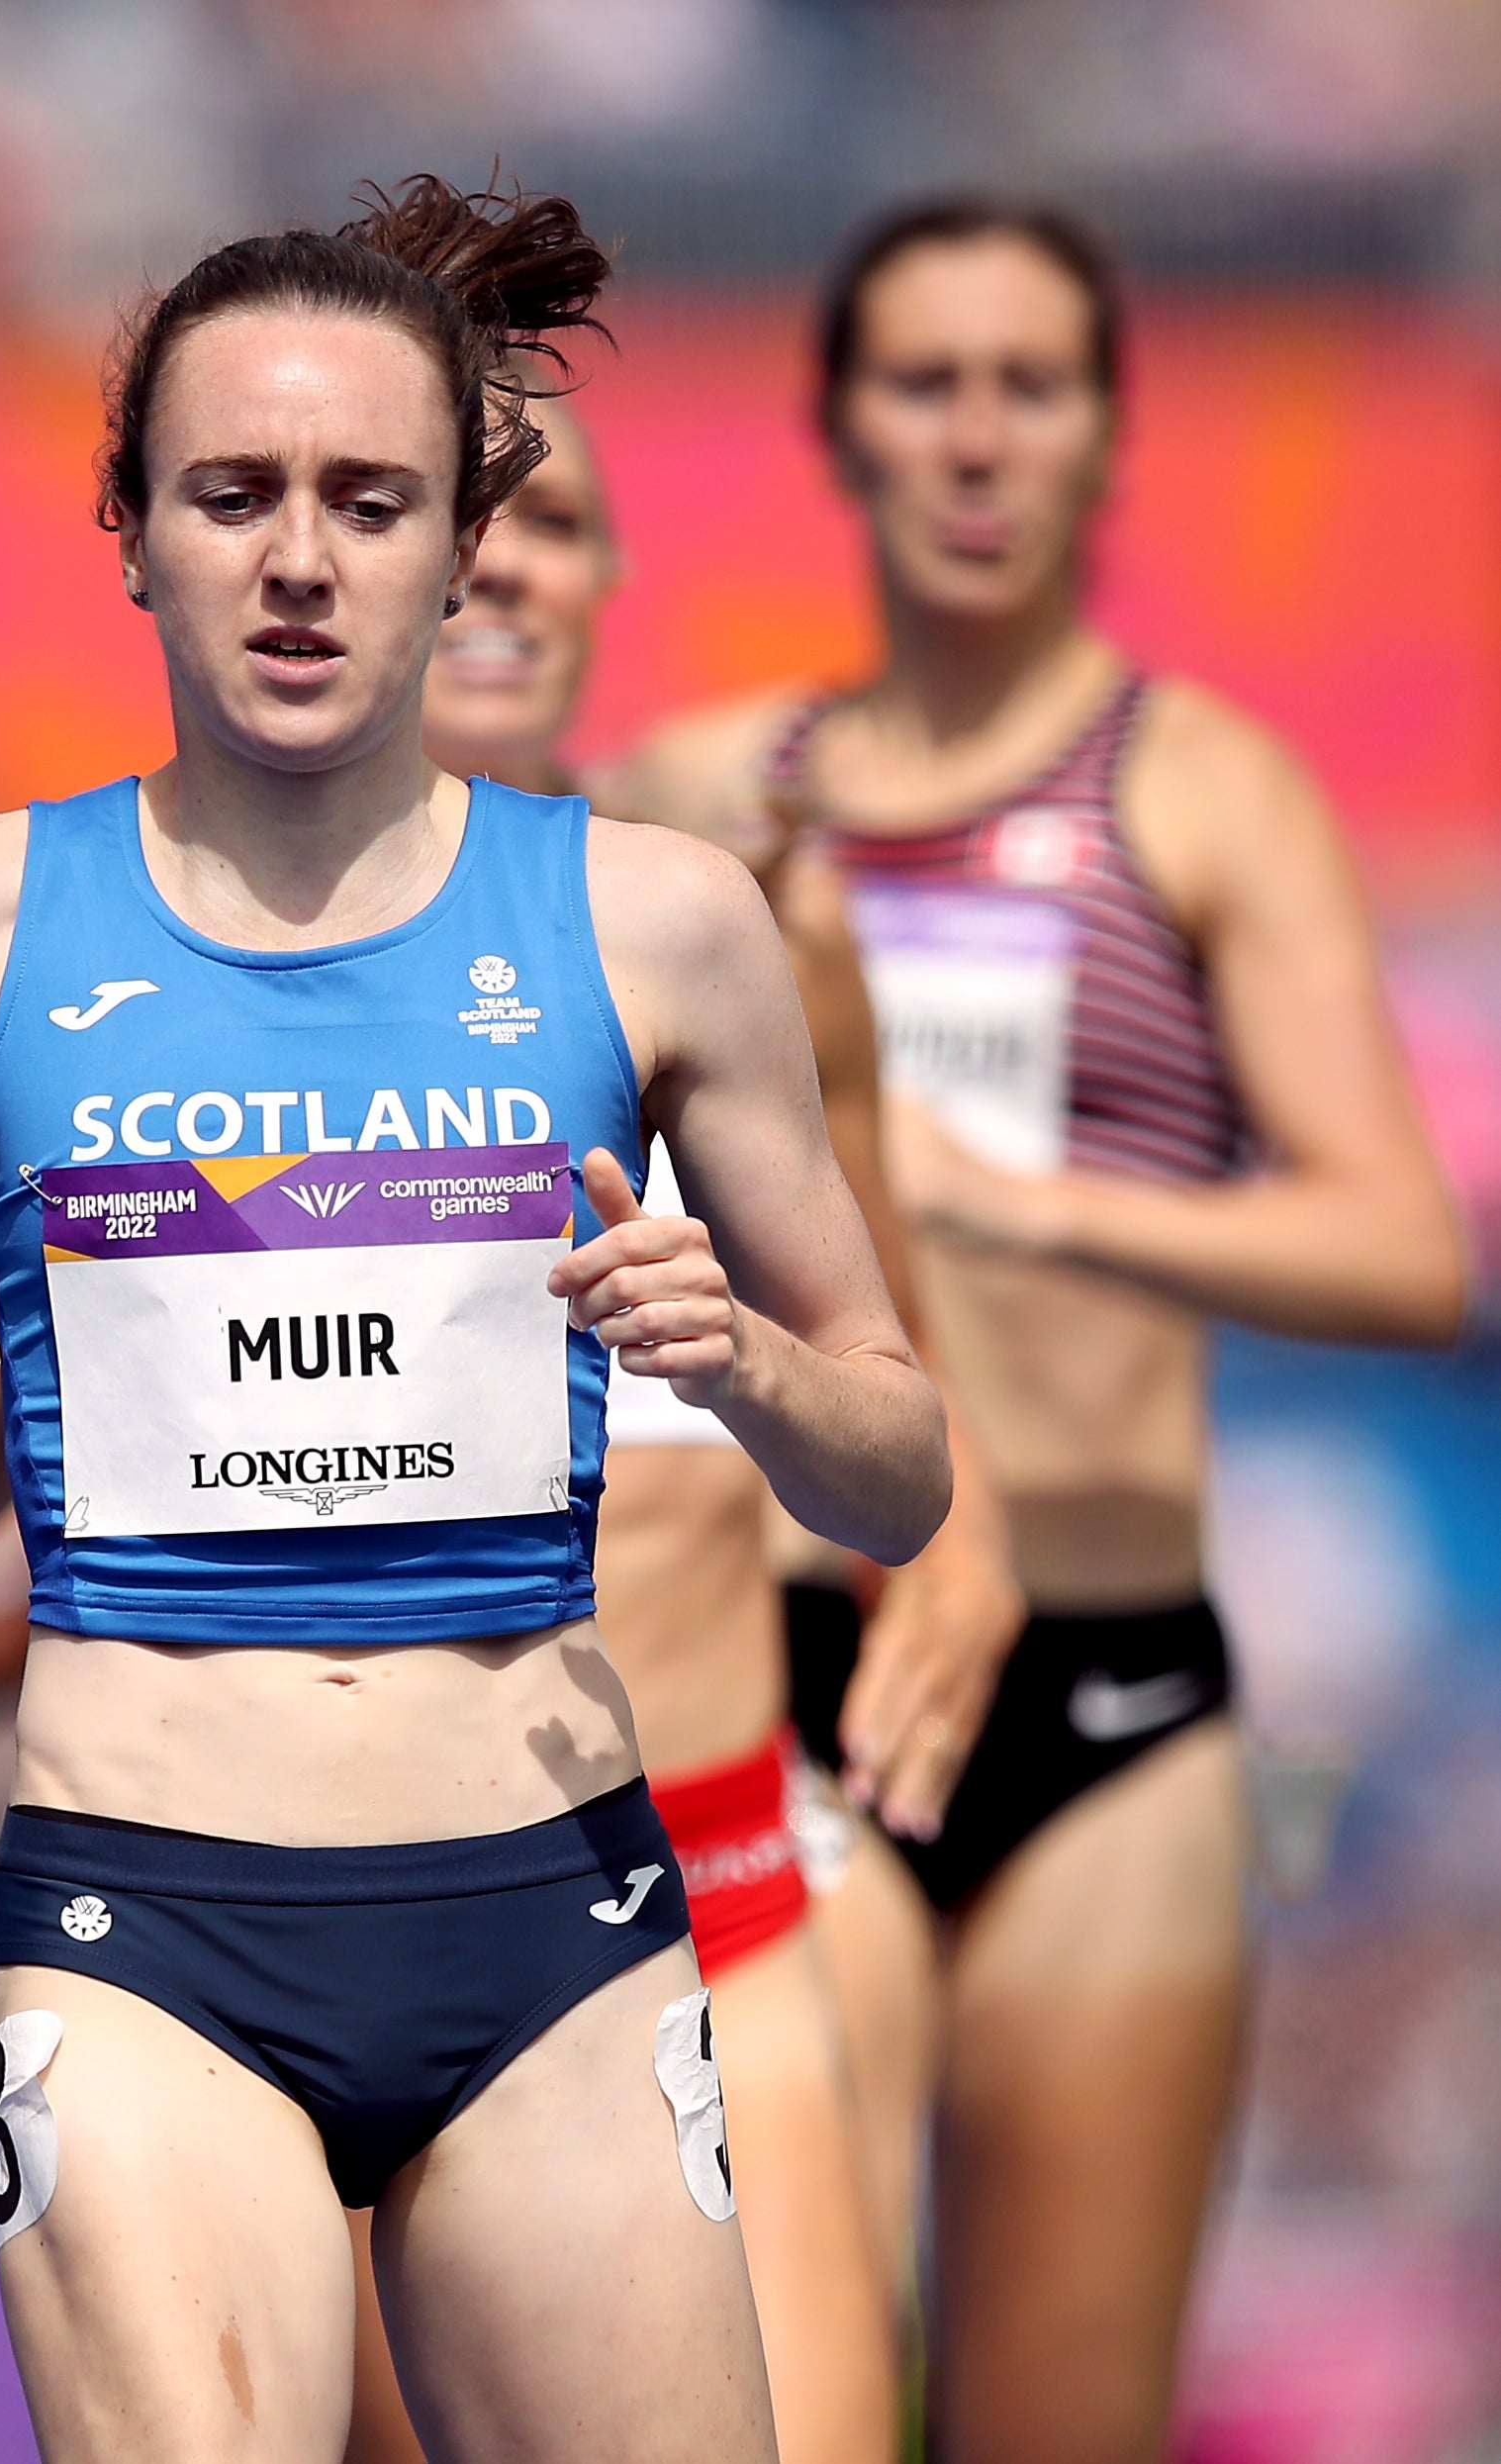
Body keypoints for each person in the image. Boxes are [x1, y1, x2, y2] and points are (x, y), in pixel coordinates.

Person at [0, 176, 952, 2464]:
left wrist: (744, 1368)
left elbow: (904, 1457)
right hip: (151, 1930)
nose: (299, 558)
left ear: (466, 548)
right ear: (132, 538)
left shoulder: (662, 926)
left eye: (369, 502)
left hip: (554, 1908)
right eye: (232, 495)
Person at [613, 195, 1467, 2464]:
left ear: (1106, 435)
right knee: (780, 2411)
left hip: (1114, 1695)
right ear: (837, 429)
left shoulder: (1202, 793)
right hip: (803, 1684)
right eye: (924, 381)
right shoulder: (713, 798)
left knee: (1059, 2421)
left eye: (1032, 383)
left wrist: (1046, 1206)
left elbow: (1408, 1255)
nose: (978, 435)